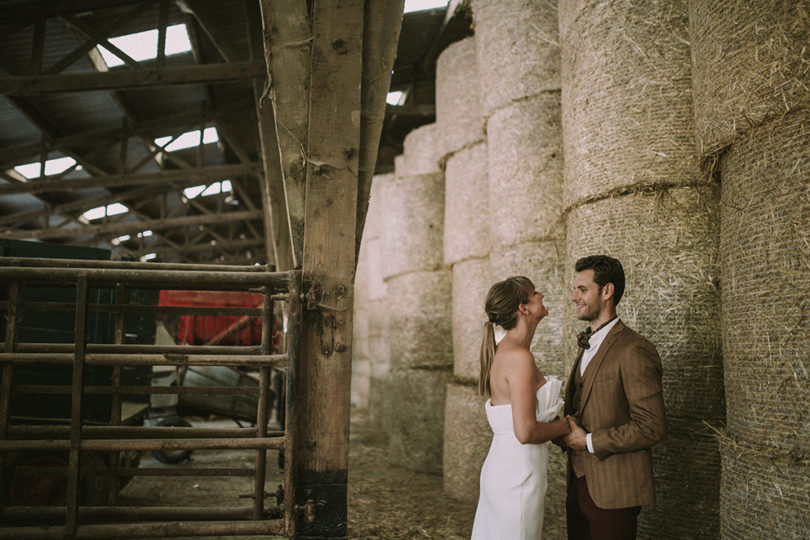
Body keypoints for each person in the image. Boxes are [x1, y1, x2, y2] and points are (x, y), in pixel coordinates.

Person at [558, 255, 667, 540]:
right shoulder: (586, 345)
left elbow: (651, 426)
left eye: (582, 289)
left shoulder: (634, 349)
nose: (574, 297)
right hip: (578, 484)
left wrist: (588, 441)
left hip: (615, 491)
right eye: (575, 289)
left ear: (607, 291)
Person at [471, 276, 571, 540]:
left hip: (509, 468)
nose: (541, 295)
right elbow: (525, 432)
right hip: (517, 474)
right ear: (523, 308)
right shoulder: (519, 357)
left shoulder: (507, 351)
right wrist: (565, 426)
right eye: (534, 293)